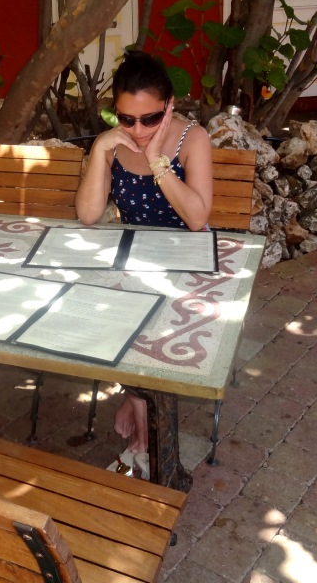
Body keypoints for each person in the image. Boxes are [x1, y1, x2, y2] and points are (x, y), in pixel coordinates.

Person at [75, 51, 213, 468]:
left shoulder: (192, 138)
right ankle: (140, 408)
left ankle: (140, 414)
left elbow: (196, 218)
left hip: (187, 264)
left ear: (169, 106)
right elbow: (88, 214)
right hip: (135, 259)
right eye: (126, 119)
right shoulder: (114, 143)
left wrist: (157, 161)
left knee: (147, 317)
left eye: (150, 119)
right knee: (96, 306)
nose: (137, 130)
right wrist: (101, 147)